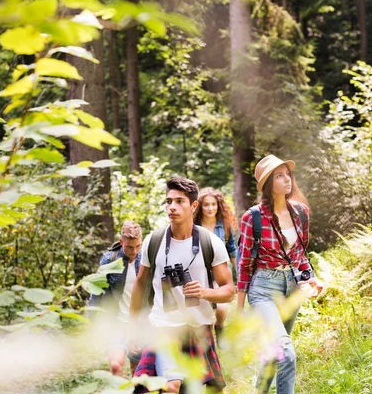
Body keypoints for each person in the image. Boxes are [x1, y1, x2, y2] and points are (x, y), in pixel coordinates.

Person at [129, 177, 235, 393]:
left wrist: (205, 292)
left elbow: (229, 291)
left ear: (193, 205)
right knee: (170, 386)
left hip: (198, 331)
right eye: (169, 201)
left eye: (179, 201)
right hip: (162, 328)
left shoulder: (210, 242)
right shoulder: (154, 241)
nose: (172, 207)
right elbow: (140, 284)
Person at [237, 154, 322, 394]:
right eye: (279, 175)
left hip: (292, 288)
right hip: (264, 288)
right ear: (267, 184)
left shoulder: (301, 212)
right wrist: (239, 308)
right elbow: (244, 264)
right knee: (286, 353)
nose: (287, 180)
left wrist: (310, 278)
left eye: (288, 174)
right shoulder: (252, 217)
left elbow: (300, 254)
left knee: (275, 351)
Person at [88, 221, 143, 377]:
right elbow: (96, 292)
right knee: (115, 366)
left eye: (138, 246)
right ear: (121, 242)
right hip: (116, 322)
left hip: (138, 323)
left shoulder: (146, 259)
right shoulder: (109, 260)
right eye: (129, 247)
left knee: (137, 371)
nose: (134, 251)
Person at [193, 187, 237, 340]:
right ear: (199, 206)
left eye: (213, 204)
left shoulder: (224, 226)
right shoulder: (193, 225)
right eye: (206, 205)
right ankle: (205, 339)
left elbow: (232, 250)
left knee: (222, 309)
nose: (210, 208)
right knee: (201, 309)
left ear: (218, 206)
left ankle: (220, 326)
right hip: (200, 271)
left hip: (220, 272)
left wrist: (241, 274)